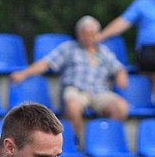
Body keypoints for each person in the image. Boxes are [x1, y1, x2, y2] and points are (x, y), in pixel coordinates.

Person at [10, 16, 129, 148]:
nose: (88, 38)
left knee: (121, 107)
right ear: (78, 35)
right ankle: (75, 143)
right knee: (72, 106)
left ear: (97, 35)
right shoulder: (68, 48)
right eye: (84, 35)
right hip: (76, 90)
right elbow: (46, 63)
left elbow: (119, 68)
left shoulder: (104, 52)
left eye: (91, 35)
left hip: (99, 92)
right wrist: (24, 73)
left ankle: (106, 142)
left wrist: (121, 75)